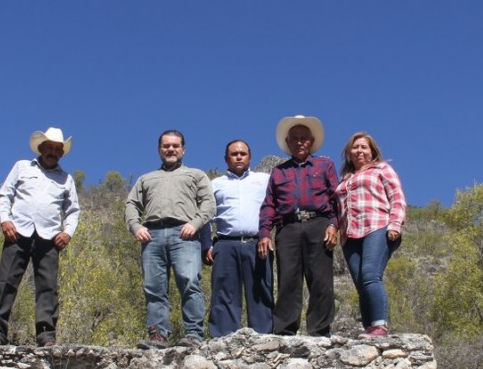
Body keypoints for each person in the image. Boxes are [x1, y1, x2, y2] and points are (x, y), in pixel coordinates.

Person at [0, 126, 80, 348]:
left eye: (58, 149)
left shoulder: (66, 179)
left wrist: (68, 232)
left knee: (48, 286)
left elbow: (73, 210)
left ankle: (46, 335)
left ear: (62, 153)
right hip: (17, 231)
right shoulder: (22, 167)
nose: (53, 152)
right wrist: (5, 220)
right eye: (49, 147)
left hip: (50, 237)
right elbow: (4, 194)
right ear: (41, 147)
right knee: (6, 281)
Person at [125, 130, 216, 348]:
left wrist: (194, 224)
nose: (171, 149)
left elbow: (209, 204)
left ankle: (194, 335)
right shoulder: (146, 179)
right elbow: (131, 205)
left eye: (175, 146)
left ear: (183, 149)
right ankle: (158, 335)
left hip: (184, 234)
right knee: (154, 288)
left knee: (190, 282)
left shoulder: (196, 175)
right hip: (151, 235)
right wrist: (136, 227)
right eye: (166, 146)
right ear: (159, 149)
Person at [258, 115, 340, 336]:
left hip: (319, 224)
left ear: (311, 141)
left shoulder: (325, 165)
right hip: (288, 228)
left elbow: (336, 198)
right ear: (288, 142)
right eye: (294, 138)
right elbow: (269, 204)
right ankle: (285, 331)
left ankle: (319, 331)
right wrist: (265, 233)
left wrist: (334, 225)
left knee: (321, 281)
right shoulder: (279, 172)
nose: (299, 142)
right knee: (288, 280)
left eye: (304, 138)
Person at [199, 139, 274, 336]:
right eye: (234, 154)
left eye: (243, 153)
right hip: (225, 244)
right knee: (224, 293)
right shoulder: (215, 184)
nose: (238, 157)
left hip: (257, 243)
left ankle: (264, 338)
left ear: (250, 157)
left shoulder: (264, 180)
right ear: (226, 159)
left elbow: (275, 208)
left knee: (260, 291)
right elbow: (206, 216)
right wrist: (206, 244)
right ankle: (223, 340)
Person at [335, 132, 406, 338]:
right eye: (355, 147)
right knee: (359, 281)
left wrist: (395, 224)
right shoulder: (345, 179)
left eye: (363, 147)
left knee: (370, 275)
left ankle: (379, 325)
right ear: (349, 153)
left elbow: (397, 196)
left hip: (377, 226)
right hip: (350, 234)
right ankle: (369, 328)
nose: (359, 151)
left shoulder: (382, 169)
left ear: (372, 151)